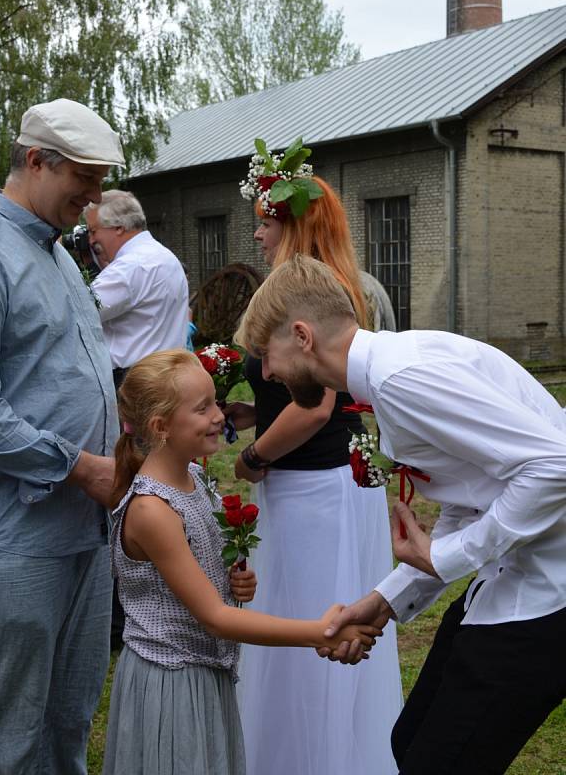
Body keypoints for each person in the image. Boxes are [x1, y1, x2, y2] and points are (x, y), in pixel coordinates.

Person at [235, 254, 566, 775]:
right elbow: (476, 493)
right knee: (407, 743)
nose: (269, 373)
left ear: (302, 336)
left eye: (266, 355)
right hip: (511, 585)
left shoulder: (400, 379)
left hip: (546, 599)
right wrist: (386, 600)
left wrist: (448, 556)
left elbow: (554, 465)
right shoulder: (393, 369)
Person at [100, 348, 381, 775]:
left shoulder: (193, 476)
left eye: (215, 402)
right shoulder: (152, 510)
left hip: (206, 671)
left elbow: (201, 580)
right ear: (161, 428)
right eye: (202, 408)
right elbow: (214, 618)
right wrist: (319, 634)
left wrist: (231, 580)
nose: (219, 415)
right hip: (172, 681)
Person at [227, 139, 403, 775]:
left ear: (293, 223)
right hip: (327, 484)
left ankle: (315, 757)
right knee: (303, 616)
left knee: (311, 623)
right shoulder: (325, 289)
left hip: (317, 490)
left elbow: (315, 409)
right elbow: (293, 396)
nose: (257, 234)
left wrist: (253, 457)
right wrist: (255, 411)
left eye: (265, 222)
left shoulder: (315, 298)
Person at [0, 98, 125, 774]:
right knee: (7, 737)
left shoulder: (60, 258)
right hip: (16, 539)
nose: (93, 200)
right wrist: (77, 467)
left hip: (84, 529)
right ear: (37, 160)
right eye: (83, 181)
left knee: (67, 719)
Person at [83, 189, 189, 390]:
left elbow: (78, 314)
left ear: (119, 227)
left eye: (93, 231)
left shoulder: (128, 268)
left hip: (131, 383)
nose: (90, 240)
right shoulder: (164, 257)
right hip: (165, 376)